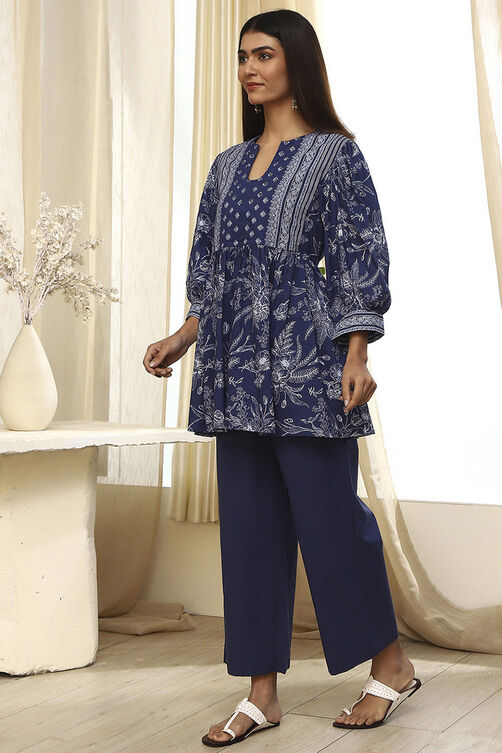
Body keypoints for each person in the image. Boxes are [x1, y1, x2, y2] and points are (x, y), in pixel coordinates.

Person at [143, 8, 421, 747]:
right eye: (242, 56)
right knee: (250, 530)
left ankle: (391, 664)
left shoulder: (335, 156)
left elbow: (360, 255)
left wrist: (358, 353)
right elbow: (210, 274)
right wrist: (180, 337)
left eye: (263, 54)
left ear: (296, 62)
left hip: (308, 367)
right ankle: (260, 692)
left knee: (331, 522)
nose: (248, 68)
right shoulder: (226, 167)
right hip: (233, 372)